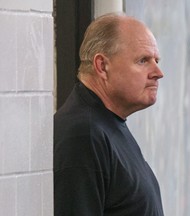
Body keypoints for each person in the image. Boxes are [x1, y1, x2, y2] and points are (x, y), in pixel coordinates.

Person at [54, 12, 164, 216]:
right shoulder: (84, 135)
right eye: (143, 60)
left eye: (156, 60)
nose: (158, 72)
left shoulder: (108, 123)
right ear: (102, 66)